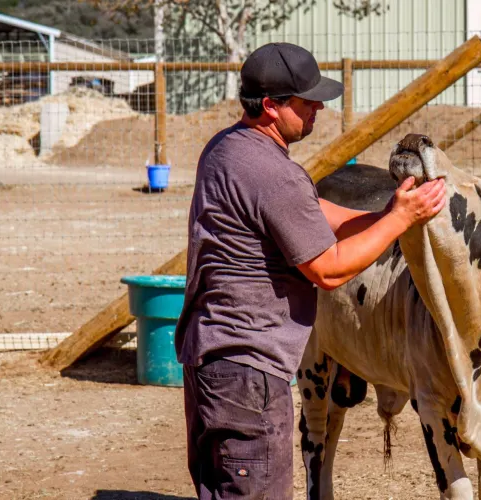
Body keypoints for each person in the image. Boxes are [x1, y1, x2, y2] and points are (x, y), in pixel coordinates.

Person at [174, 42, 447, 499]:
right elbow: (329, 271)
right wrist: (401, 220)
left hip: (212, 362)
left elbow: (316, 213)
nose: (319, 108)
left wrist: (389, 213)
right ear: (271, 106)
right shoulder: (273, 173)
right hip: (248, 373)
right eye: (307, 101)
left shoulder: (227, 148)